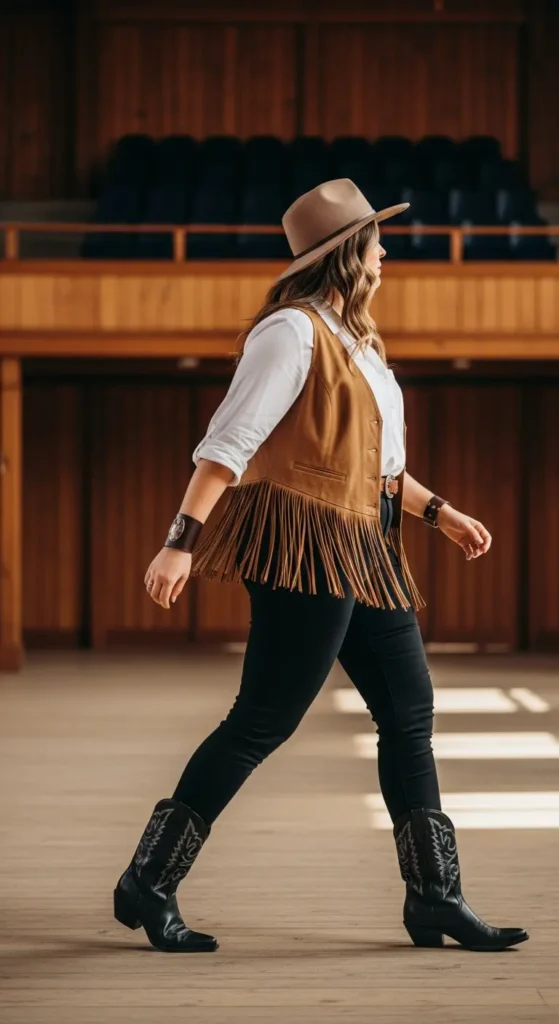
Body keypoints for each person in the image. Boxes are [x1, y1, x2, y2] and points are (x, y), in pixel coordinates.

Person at [113, 179, 528, 954]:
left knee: (408, 714)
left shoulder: (361, 344)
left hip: (369, 545)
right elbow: (226, 445)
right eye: (375, 238)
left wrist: (442, 515)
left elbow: (380, 469)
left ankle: (435, 898)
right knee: (262, 720)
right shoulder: (289, 333)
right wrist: (180, 539)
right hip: (304, 543)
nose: (384, 250)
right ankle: (150, 880)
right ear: (346, 254)